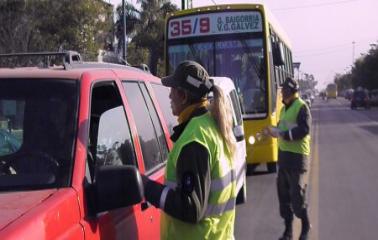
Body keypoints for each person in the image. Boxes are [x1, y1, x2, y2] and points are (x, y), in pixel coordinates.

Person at [141, 61, 237, 240]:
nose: (169, 96)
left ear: (183, 95)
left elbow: (190, 208)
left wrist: (146, 187)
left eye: (172, 90)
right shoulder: (212, 125)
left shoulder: (194, 140)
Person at [264, 77, 312, 240]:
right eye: (282, 91)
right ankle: (288, 232)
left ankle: (305, 226)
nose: (282, 94)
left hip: (298, 158)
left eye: (284, 91)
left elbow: (304, 129)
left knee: (297, 197)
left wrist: (285, 134)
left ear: (292, 92)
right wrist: (271, 131)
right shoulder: (284, 110)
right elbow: (282, 129)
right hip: (283, 158)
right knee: (284, 198)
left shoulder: (302, 107)